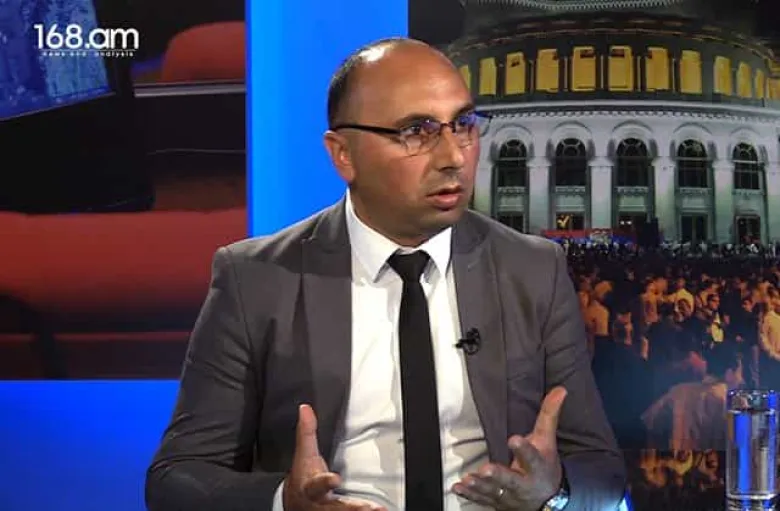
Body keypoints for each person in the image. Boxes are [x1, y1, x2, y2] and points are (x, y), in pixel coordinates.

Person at [145, 37, 626, 511]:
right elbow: (178, 478)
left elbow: (602, 471)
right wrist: (284, 502)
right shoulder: (256, 278)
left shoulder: (533, 269)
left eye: (463, 124)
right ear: (343, 154)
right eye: (417, 131)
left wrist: (553, 494)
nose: (454, 157)